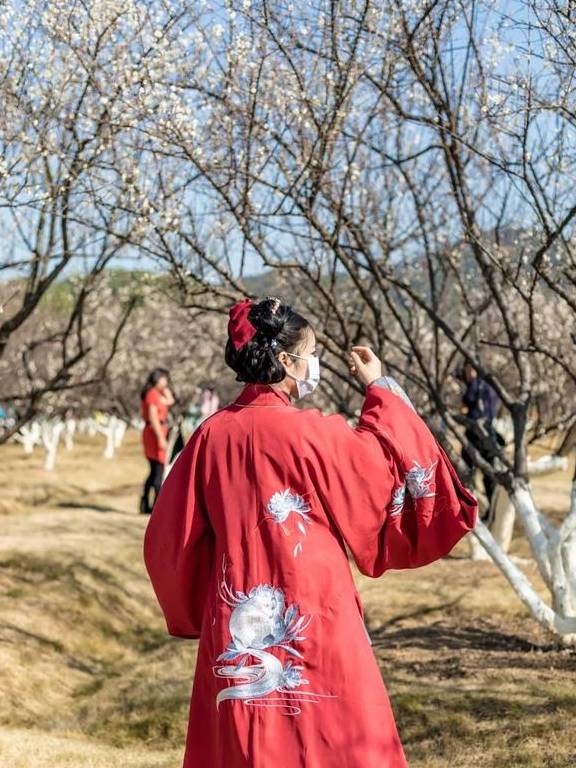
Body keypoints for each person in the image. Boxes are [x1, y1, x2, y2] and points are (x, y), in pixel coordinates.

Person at [143, 297, 478, 768]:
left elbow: (169, 541)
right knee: (338, 737)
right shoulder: (314, 433)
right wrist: (380, 387)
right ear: (285, 361)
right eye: (310, 352)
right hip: (317, 609)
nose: (313, 363)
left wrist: (199, 608)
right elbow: (382, 466)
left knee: (247, 742)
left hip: (238, 614)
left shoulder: (210, 435)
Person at [461, 362, 503, 505]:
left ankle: (466, 502)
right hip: (489, 432)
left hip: (475, 432)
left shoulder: (476, 384)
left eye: (467, 372)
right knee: (488, 472)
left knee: (465, 467)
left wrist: (471, 381)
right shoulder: (491, 386)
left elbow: (467, 399)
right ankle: (491, 506)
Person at [139, 368, 175, 515]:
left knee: (154, 470)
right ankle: (155, 506)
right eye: (164, 379)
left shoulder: (157, 394)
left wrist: (165, 389)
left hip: (158, 431)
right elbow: (153, 418)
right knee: (158, 469)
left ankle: (146, 504)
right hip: (155, 432)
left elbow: (170, 401)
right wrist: (160, 438)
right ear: (158, 379)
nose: (166, 382)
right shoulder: (152, 395)